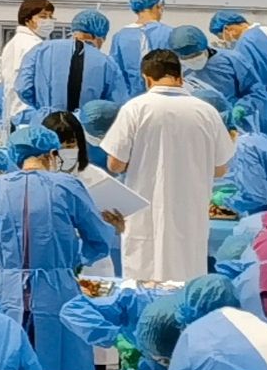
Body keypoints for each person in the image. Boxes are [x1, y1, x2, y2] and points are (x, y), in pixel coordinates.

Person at [97, 51, 230, 284]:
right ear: (180, 77)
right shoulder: (206, 112)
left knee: (142, 285)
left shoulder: (135, 108)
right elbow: (220, 169)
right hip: (190, 216)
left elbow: (115, 164)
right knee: (186, 285)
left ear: (146, 79)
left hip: (144, 214)